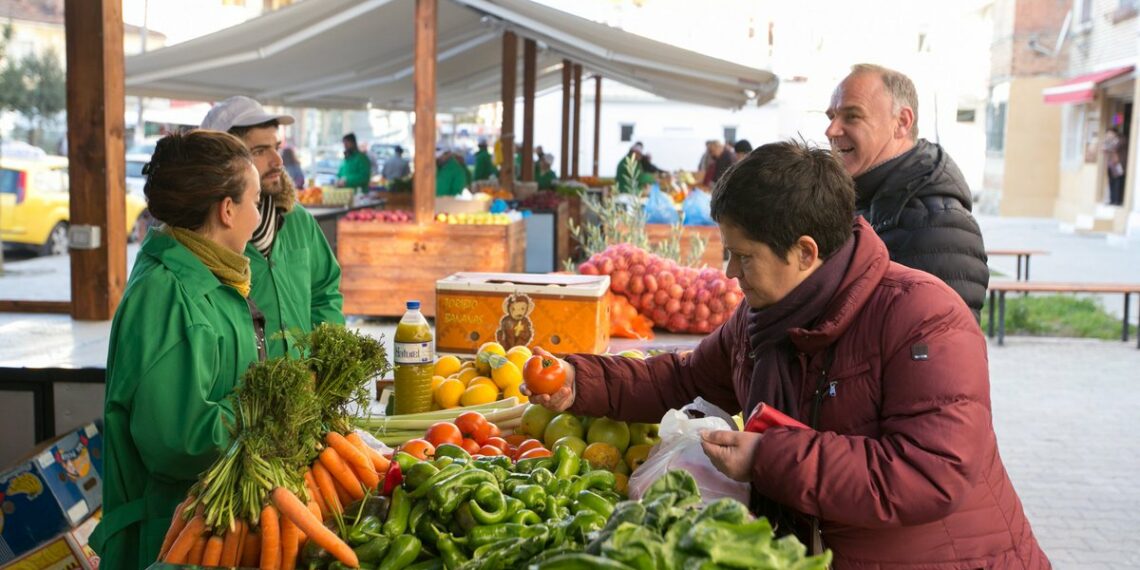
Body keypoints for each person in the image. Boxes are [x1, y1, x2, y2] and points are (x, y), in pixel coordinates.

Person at [528, 140, 1048, 568]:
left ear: (805, 251)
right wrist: (580, 381)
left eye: (743, 256)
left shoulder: (924, 316)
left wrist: (768, 458)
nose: (730, 272)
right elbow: (686, 380)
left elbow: (930, 473)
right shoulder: (763, 318)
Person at [92, 131, 266, 569]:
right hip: (167, 538)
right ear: (227, 210)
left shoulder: (209, 277)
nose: (258, 216)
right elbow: (178, 441)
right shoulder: (166, 294)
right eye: (255, 202)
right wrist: (266, 409)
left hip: (207, 530)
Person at [826, 63, 988, 319]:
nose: (831, 130)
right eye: (831, 117)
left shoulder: (939, 223)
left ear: (902, 122)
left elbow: (944, 339)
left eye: (852, 116)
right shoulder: (861, 197)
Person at [200, 96, 344, 358]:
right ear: (221, 164)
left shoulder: (298, 220)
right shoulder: (207, 236)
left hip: (305, 380)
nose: (277, 160)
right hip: (242, 383)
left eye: (276, 147)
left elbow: (325, 292)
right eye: (259, 151)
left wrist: (326, 360)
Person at [1104, 127, 1125, 205]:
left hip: (1118, 165)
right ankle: (1112, 200)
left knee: (1117, 182)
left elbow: (1113, 148)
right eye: (1107, 133)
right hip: (1110, 165)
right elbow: (1104, 149)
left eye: (1110, 133)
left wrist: (1108, 145)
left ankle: (1117, 200)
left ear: (1114, 133)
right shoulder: (1109, 141)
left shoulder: (1119, 140)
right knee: (1111, 182)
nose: (1108, 135)